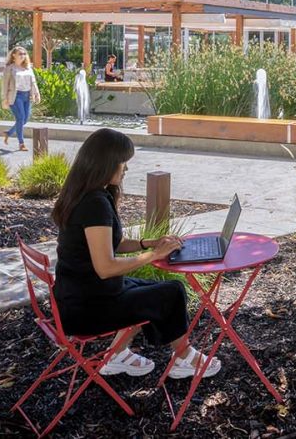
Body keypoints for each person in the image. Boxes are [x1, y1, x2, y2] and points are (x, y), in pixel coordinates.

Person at [52, 128, 221, 378]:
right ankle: (183, 359)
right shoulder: (94, 204)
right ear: (106, 163)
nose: (126, 169)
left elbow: (113, 243)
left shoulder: (86, 195)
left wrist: (149, 243)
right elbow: (106, 267)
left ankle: (118, 355)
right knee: (171, 292)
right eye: (123, 162)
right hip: (85, 309)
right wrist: (153, 255)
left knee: (148, 289)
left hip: (78, 296)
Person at [1, 46, 41, 151]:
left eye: (24, 54)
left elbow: (33, 81)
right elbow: (5, 85)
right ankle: (21, 143)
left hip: (27, 96)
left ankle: (8, 133)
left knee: (25, 119)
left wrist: (37, 93)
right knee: (20, 118)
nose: (23, 55)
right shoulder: (10, 68)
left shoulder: (28, 67)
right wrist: (4, 99)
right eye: (20, 54)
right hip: (15, 96)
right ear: (14, 55)